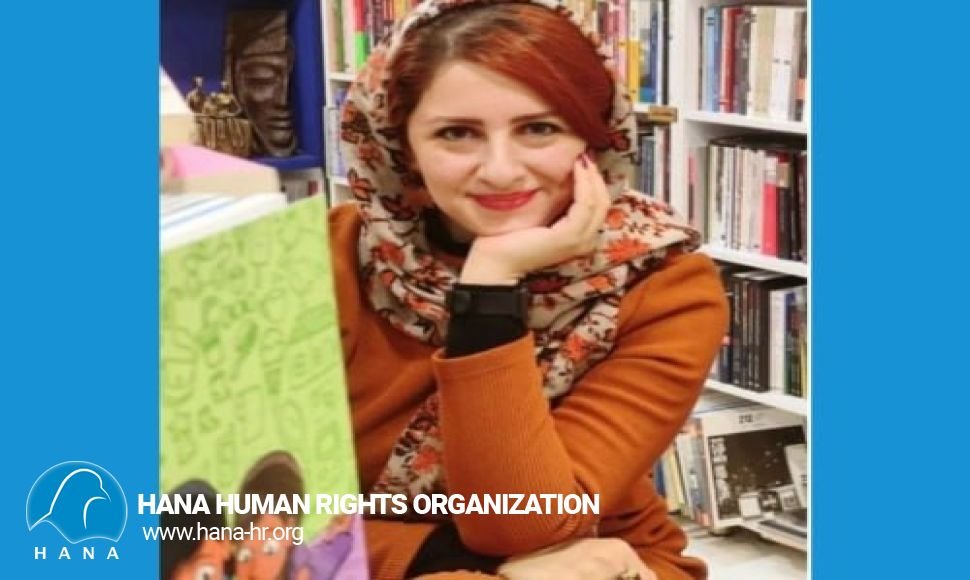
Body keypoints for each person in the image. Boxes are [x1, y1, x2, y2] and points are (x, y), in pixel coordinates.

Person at [332, 0, 728, 578]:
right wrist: (451, 561)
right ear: (402, 147)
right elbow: (223, 516)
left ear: (593, 138)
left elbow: (524, 522)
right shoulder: (326, 257)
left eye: (539, 128)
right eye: (457, 133)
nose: (501, 170)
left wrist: (490, 285)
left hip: (598, 561)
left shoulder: (662, 284)